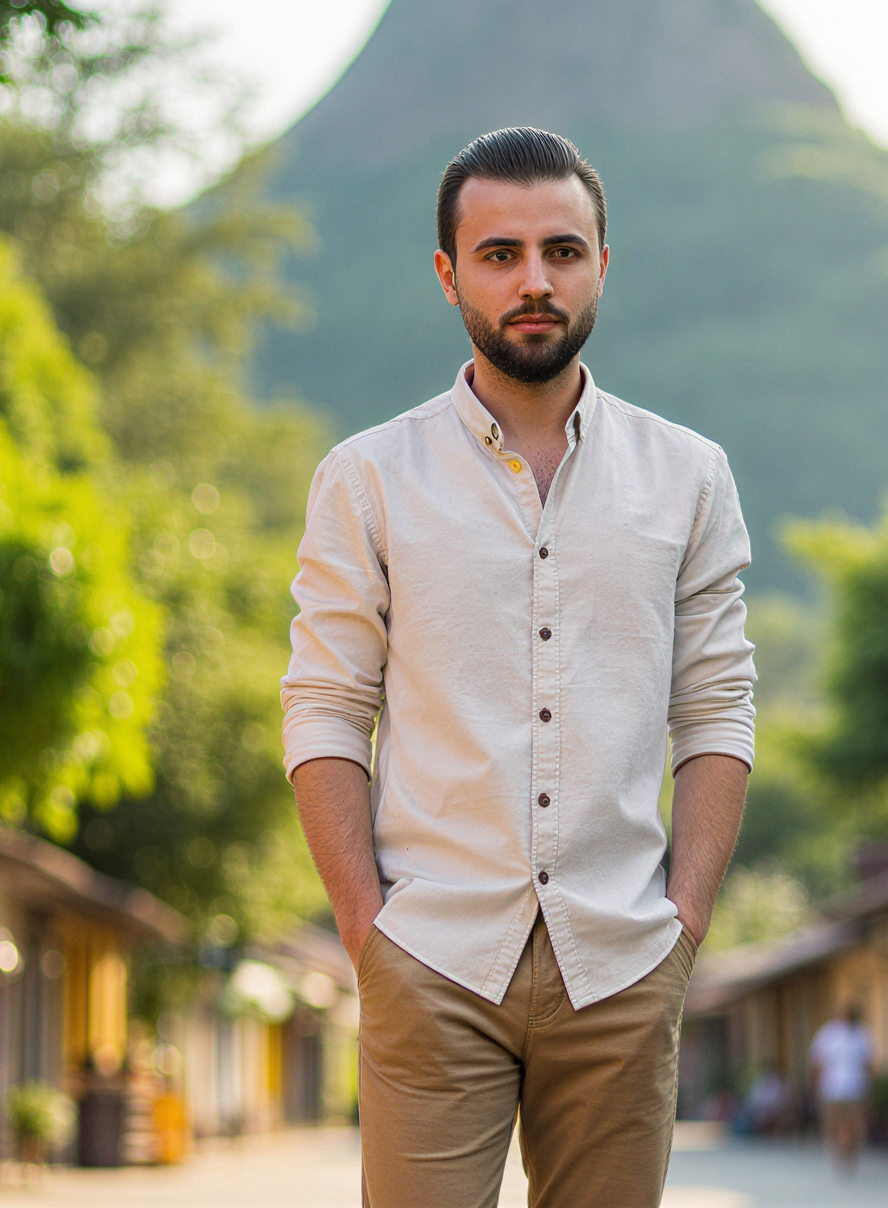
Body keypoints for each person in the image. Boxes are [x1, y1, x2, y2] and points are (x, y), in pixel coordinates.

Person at [282, 128, 757, 1208]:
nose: (532, 281)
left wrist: (681, 922)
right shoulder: (366, 478)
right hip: (431, 954)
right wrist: (366, 928)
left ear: (601, 262)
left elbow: (717, 708)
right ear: (448, 274)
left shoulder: (687, 475)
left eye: (560, 250)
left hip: (623, 958)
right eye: (498, 255)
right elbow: (323, 708)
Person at [808, 1005, 875, 1174]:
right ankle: (838, 1154)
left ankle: (851, 1155)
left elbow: (869, 1063)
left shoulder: (863, 1034)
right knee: (833, 1123)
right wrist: (814, 1085)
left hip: (855, 1088)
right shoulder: (827, 1033)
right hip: (831, 1087)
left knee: (855, 1124)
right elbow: (817, 1062)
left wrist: (870, 1086)